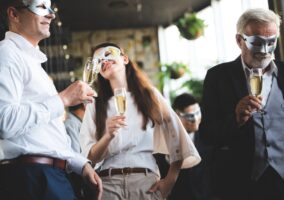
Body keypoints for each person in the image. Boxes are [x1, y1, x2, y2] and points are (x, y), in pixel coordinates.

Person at [0, 0, 102, 200]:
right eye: (40, 6)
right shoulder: (7, 53)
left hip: (49, 176)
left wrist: (80, 164)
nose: (51, 15)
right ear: (14, 14)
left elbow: (46, 135)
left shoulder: (32, 62)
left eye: (50, 8)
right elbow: (5, 122)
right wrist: (63, 98)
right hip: (32, 177)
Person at [200, 8, 284, 200]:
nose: (265, 50)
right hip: (242, 181)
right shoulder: (218, 77)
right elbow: (207, 135)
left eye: (271, 42)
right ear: (240, 40)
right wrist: (235, 119)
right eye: (257, 42)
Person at [79, 42, 201, 200]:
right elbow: (91, 157)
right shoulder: (95, 105)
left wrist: (169, 181)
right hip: (108, 183)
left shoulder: (148, 96)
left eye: (108, 55)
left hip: (145, 182)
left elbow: (176, 135)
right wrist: (107, 136)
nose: (104, 60)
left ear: (124, 59)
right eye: (98, 60)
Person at [156, 93, 213, 200]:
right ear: (177, 115)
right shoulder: (166, 141)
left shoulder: (208, 135)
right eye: (190, 116)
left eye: (197, 113)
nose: (195, 119)